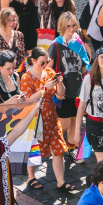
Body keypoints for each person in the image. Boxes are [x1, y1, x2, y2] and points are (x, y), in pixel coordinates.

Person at [20, 48, 76, 194]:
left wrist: (60, 83)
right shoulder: (27, 77)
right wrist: (45, 88)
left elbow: (60, 94)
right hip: (36, 118)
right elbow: (27, 99)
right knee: (35, 149)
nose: (45, 65)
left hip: (51, 115)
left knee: (58, 148)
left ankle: (60, 182)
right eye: (42, 62)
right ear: (33, 60)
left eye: (47, 62)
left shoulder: (50, 73)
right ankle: (31, 177)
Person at [47, 12, 88, 155]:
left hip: (77, 89)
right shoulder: (56, 45)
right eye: (68, 26)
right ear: (62, 27)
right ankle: (52, 142)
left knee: (74, 121)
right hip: (62, 91)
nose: (71, 29)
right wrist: (55, 85)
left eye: (73, 25)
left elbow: (84, 66)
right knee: (64, 124)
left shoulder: (78, 44)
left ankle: (71, 149)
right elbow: (48, 68)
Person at [0, 8, 25, 76]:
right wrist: (2, 71)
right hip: (0, 76)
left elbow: (22, 58)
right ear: (2, 21)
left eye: (14, 20)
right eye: (9, 20)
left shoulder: (19, 35)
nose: (12, 23)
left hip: (17, 75)